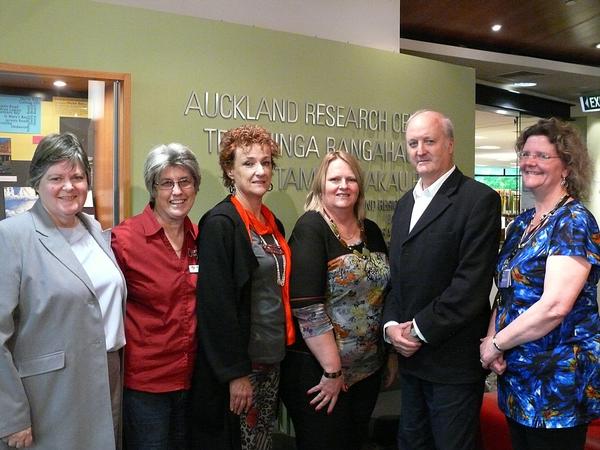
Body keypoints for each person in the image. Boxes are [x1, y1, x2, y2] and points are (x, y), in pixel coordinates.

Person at [383, 110, 501, 450]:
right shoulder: (405, 204)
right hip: (410, 360)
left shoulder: (478, 200)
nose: (420, 150)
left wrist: (417, 330)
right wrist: (392, 327)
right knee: (411, 443)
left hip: (452, 364)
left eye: (429, 141)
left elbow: (470, 286)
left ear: (450, 144)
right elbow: (398, 278)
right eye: (413, 143)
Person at [480, 118, 600, 450]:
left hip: (557, 380)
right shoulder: (521, 224)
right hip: (517, 374)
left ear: (566, 167)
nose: (530, 162)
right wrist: (492, 341)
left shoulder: (573, 221)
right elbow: (506, 294)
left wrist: (497, 344)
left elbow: (554, 307)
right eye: (526, 153)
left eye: (543, 156)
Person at [0, 132, 126, 450]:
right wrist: (12, 416)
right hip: (49, 396)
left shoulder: (95, 230)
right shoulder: (12, 236)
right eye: (56, 177)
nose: (69, 187)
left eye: (78, 177)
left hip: (105, 378)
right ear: (37, 182)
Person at [280, 150, 395, 450]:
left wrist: (390, 356)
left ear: (359, 186)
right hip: (321, 374)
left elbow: (386, 295)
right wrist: (333, 371)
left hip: (368, 372)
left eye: (350, 179)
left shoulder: (369, 230)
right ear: (321, 186)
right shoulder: (311, 227)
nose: (343, 185)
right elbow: (307, 308)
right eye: (334, 179)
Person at [189, 125, 295, 450]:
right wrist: (236, 374)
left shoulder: (272, 222)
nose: (260, 171)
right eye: (249, 163)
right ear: (229, 169)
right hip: (240, 370)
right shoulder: (220, 224)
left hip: (271, 360)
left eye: (266, 162)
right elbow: (216, 306)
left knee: (262, 442)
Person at [111, 143, 200, 449]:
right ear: (153, 188)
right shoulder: (124, 240)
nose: (177, 191)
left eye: (185, 181)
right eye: (167, 183)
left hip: (193, 382)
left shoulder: (201, 237)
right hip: (145, 389)